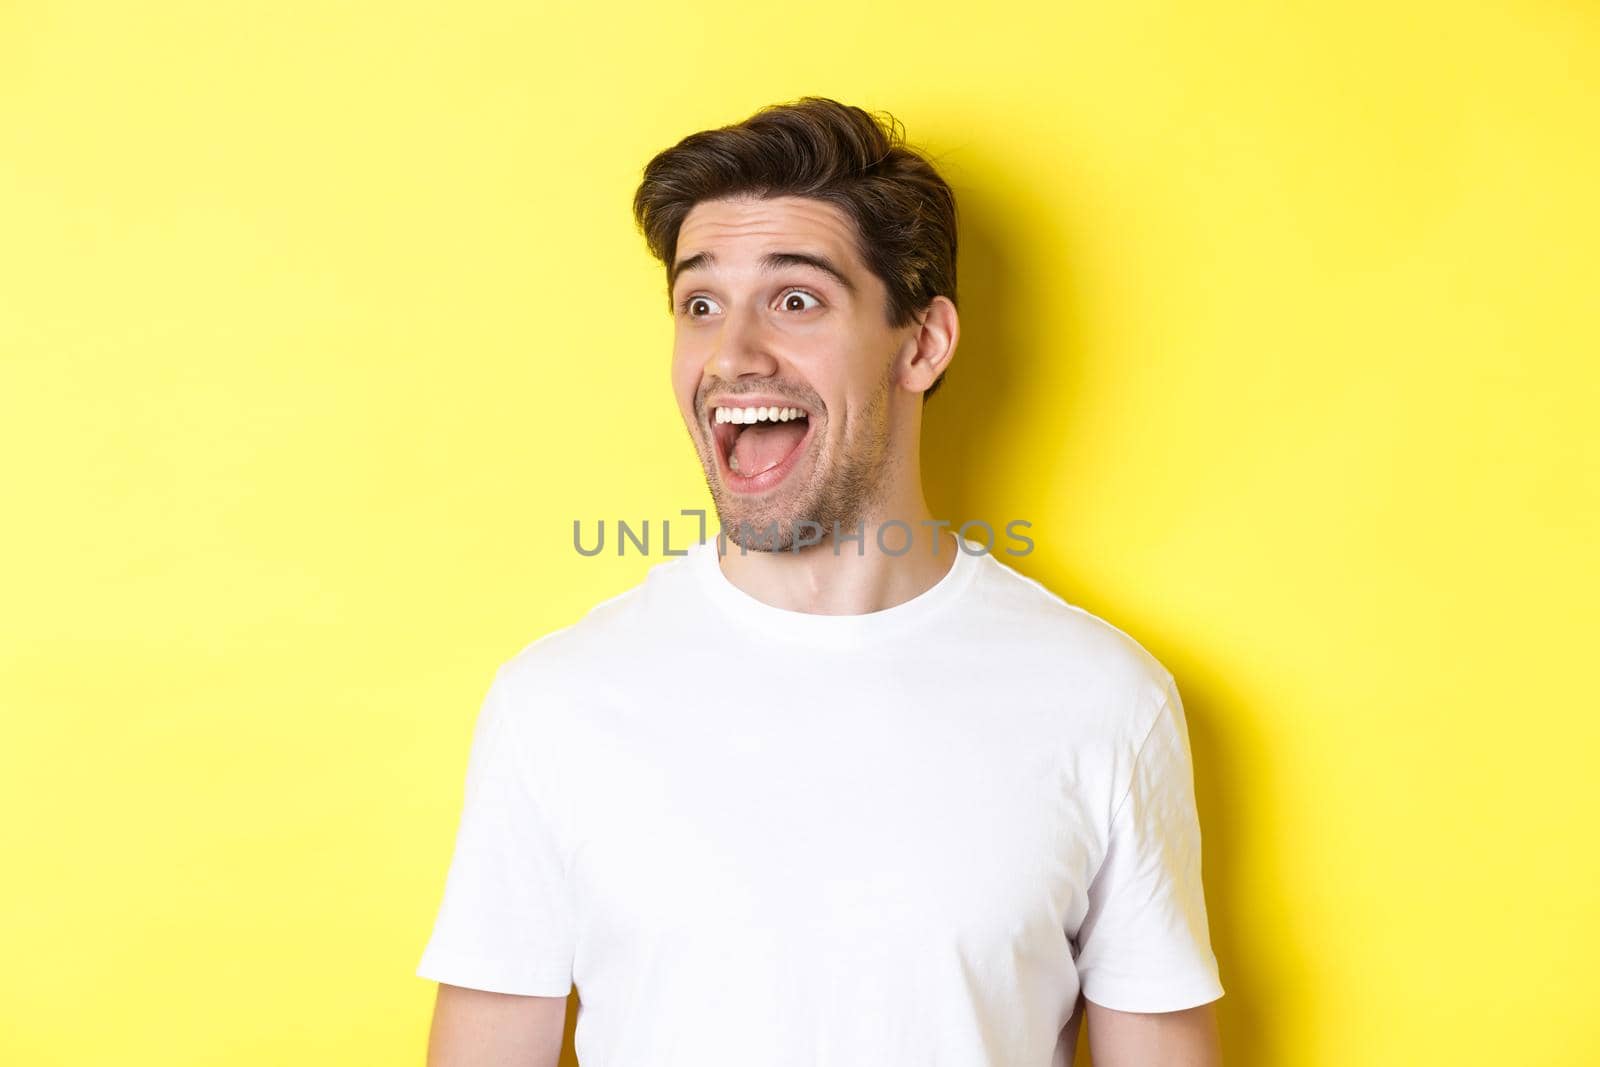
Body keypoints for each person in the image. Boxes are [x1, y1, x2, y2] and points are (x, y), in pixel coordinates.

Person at [417, 96, 1224, 1066]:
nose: (730, 355)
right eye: (699, 304)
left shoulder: (1100, 698)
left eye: (795, 300)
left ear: (921, 344)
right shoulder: (556, 701)